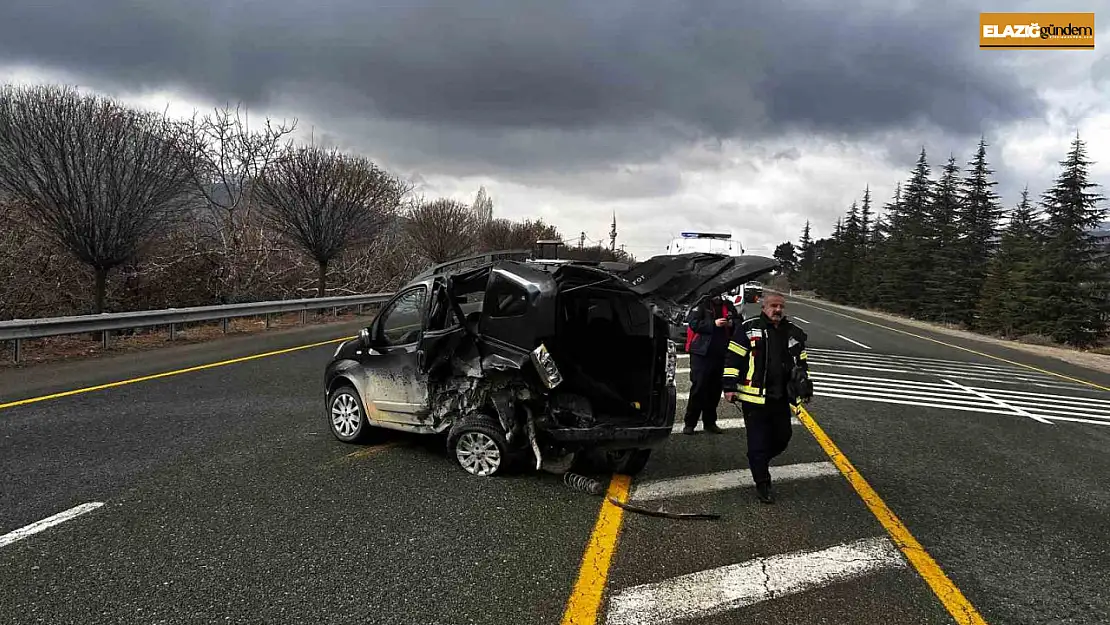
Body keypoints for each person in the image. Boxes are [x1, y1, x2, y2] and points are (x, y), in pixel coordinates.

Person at [722, 292, 813, 504]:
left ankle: (758, 460)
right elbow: (733, 357)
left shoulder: (793, 333)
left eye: (781, 306)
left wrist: (805, 389)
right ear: (764, 307)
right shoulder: (748, 328)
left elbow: (802, 364)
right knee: (757, 442)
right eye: (773, 306)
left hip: (781, 398)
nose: (778, 310)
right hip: (754, 399)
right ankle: (763, 483)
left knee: (783, 437)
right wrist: (728, 386)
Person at [682, 293, 740, 435]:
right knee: (699, 387)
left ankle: (710, 423)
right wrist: (713, 324)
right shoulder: (701, 305)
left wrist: (731, 323)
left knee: (715, 390)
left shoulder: (728, 305)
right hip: (701, 353)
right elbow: (693, 323)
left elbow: (739, 321)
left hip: (721, 353)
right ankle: (690, 423)